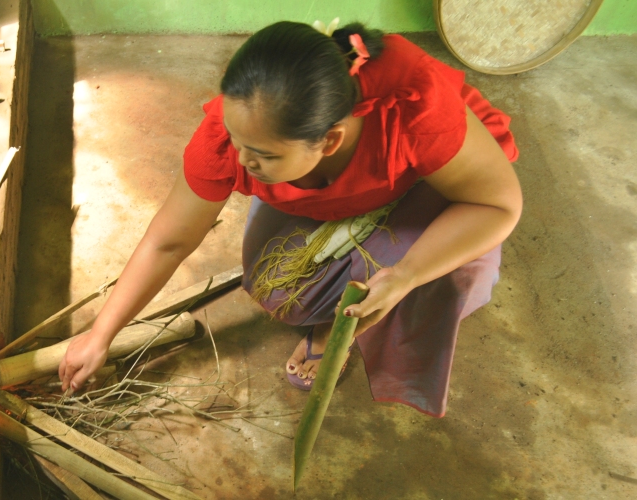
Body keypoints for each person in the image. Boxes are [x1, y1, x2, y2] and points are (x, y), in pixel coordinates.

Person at [58, 20, 521, 417]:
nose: (240, 159)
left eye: (261, 154)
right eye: (237, 138)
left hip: (434, 186)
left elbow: (496, 206)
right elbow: (169, 241)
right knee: (280, 290)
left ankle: (366, 309)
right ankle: (340, 246)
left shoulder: (416, 114)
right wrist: (102, 334)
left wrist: (406, 274)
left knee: (455, 274)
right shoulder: (238, 134)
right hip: (334, 178)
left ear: (330, 141)